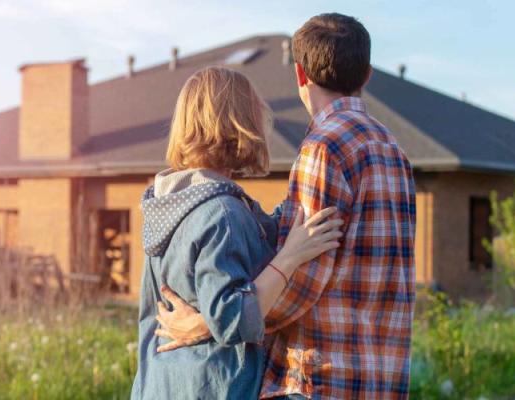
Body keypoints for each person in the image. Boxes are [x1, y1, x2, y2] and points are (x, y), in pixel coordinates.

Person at [155, 13, 417, 399]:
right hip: (381, 377)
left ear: (300, 75)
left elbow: (302, 280)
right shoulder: (395, 152)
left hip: (318, 378)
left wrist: (211, 323)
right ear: (366, 76)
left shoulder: (323, 148)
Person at [130, 66, 344, 400]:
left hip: (159, 386)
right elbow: (231, 317)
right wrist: (290, 257)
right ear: (242, 124)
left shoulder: (169, 202)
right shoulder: (223, 214)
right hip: (213, 388)